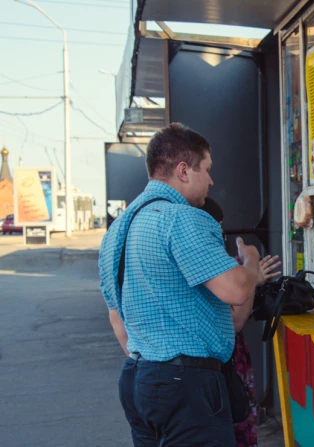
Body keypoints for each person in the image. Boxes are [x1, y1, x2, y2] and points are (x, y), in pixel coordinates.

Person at [99, 123, 267, 446]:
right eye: (207, 169)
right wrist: (252, 263)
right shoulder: (181, 218)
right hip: (186, 387)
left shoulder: (115, 232)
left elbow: (117, 320)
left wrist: (155, 366)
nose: (211, 180)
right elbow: (236, 290)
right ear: (183, 171)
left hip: (139, 379)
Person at [200, 197, 281, 447]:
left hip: (215, 363)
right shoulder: (213, 267)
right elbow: (235, 320)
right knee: (235, 420)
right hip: (221, 362)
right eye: (218, 226)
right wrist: (252, 275)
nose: (221, 234)